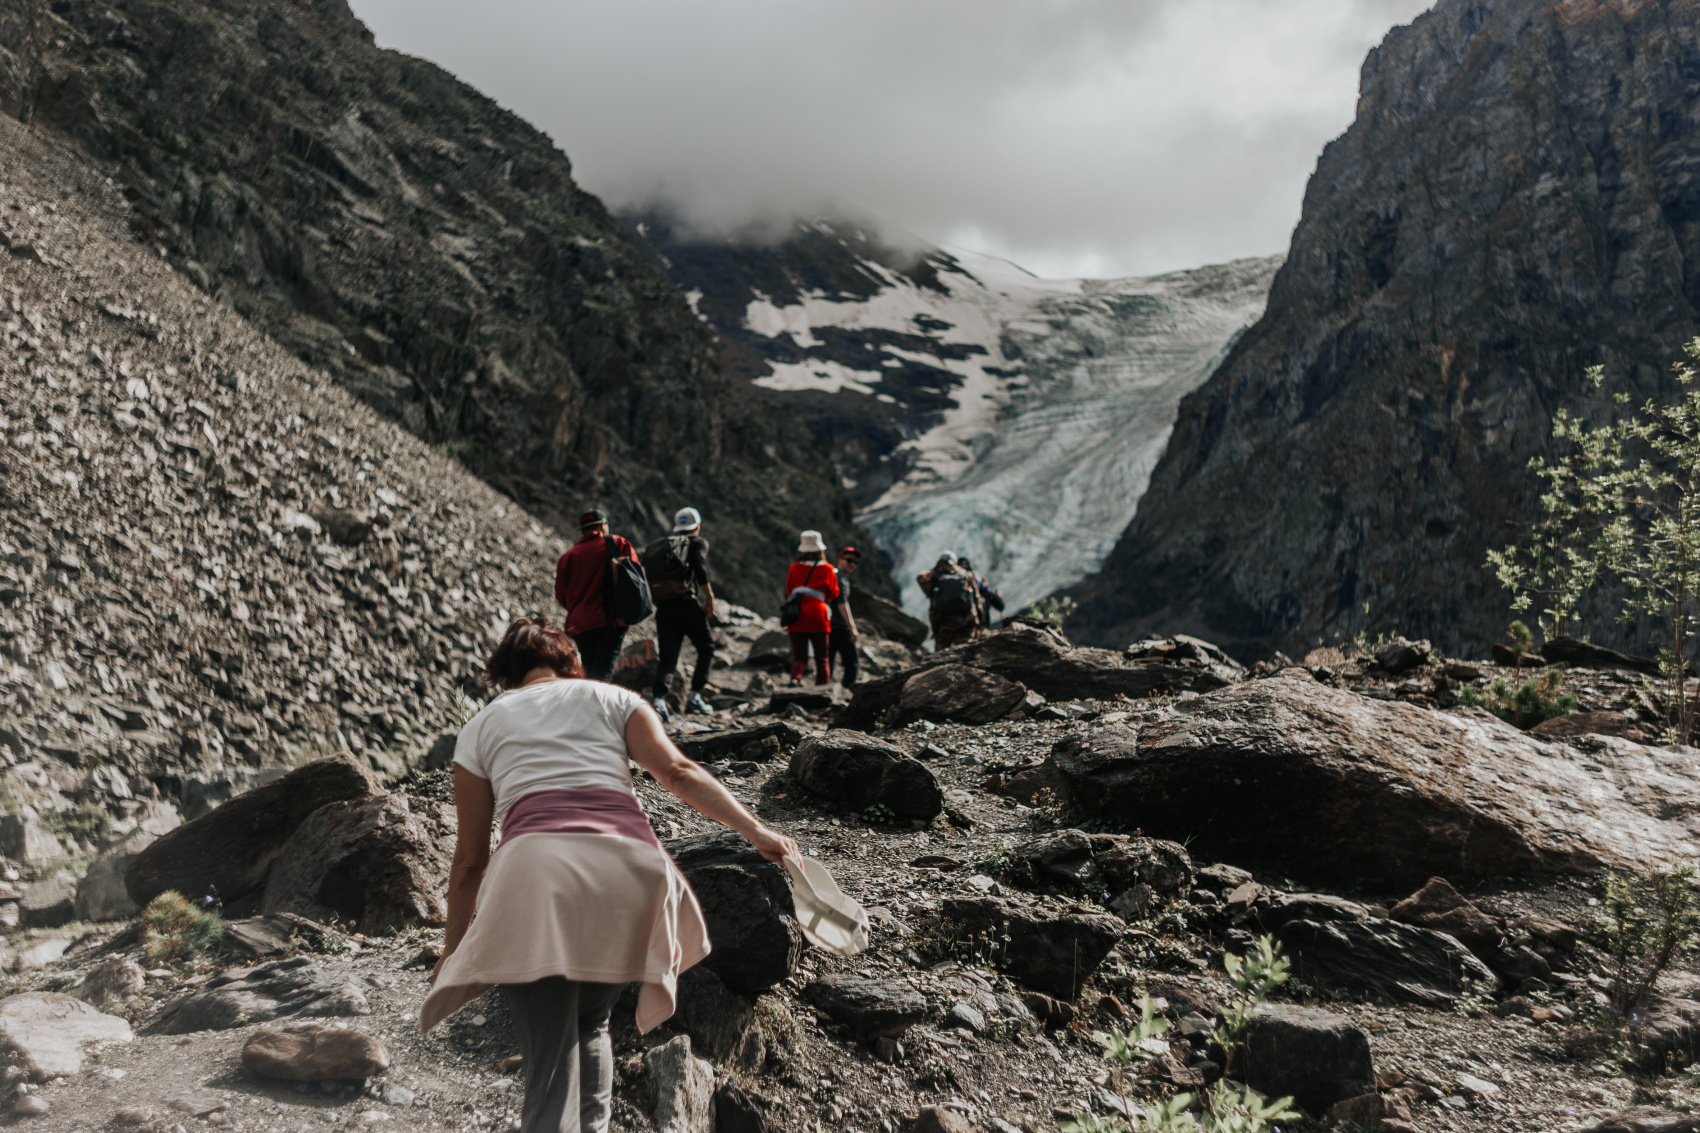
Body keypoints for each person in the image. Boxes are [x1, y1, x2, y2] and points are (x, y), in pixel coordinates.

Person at [422, 617, 797, 1133]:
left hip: (537, 877)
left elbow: (470, 860)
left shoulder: (482, 725)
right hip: (630, 876)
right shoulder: (613, 699)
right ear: (570, 663)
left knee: (548, 1062)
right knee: (592, 1022)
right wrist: (756, 832)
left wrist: (452, 950)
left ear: (504, 676)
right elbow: (680, 773)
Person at [643, 507, 716, 722]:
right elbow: (699, 568)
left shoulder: (663, 546)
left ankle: (658, 701)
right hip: (686, 604)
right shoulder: (697, 542)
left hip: (664, 607)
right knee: (706, 648)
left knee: (668, 658)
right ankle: (694, 697)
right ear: (697, 526)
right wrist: (709, 597)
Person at [553, 509, 637, 682]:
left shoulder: (568, 557)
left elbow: (560, 595)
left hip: (580, 625)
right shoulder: (617, 544)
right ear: (602, 526)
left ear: (583, 530)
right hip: (609, 620)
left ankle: (587, 706)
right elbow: (636, 578)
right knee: (603, 670)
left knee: (589, 668)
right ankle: (596, 708)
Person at [784, 530, 840, 687]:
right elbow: (833, 593)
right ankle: (822, 688)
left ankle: (795, 679)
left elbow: (789, 590)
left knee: (800, 657)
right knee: (822, 657)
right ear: (820, 549)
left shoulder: (794, 568)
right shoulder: (828, 569)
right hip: (818, 614)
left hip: (796, 615)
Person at [917, 550, 982, 650]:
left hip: (943, 620)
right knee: (966, 647)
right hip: (966, 618)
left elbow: (920, 577)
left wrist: (931, 592)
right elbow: (976, 598)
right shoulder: (965, 574)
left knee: (941, 650)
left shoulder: (936, 575)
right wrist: (979, 621)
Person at [828, 545, 863, 688]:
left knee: (828, 662)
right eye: (849, 560)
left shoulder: (831, 575)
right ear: (840, 559)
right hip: (839, 627)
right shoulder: (840, 578)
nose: (852, 564)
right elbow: (842, 603)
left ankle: (822, 692)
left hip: (827, 626)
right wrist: (852, 627)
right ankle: (847, 692)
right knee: (852, 663)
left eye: (855, 562)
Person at [957, 556, 1005, 632]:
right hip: (980, 625)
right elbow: (995, 601)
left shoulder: (955, 584)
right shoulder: (976, 579)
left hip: (961, 629)